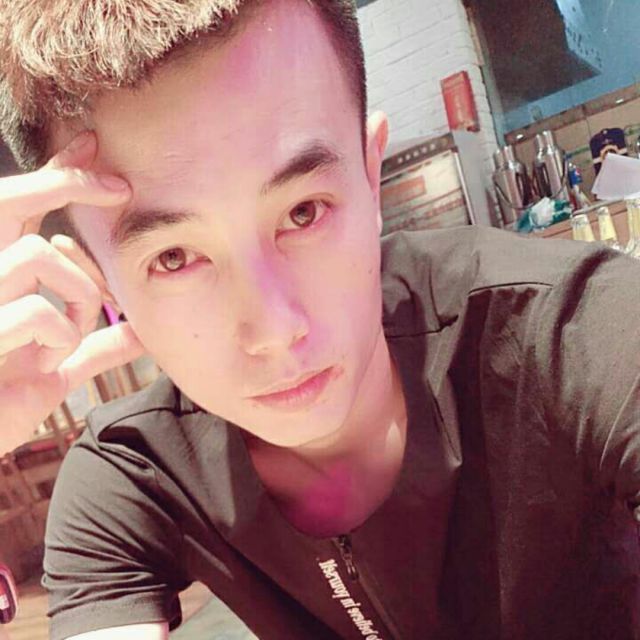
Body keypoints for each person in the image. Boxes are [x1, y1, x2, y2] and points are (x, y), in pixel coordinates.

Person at [0, 1, 638, 638]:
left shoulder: (571, 333)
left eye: (303, 212)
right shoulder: (133, 475)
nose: (275, 330)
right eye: (173, 258)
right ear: (97, 278)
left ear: (370, 177)